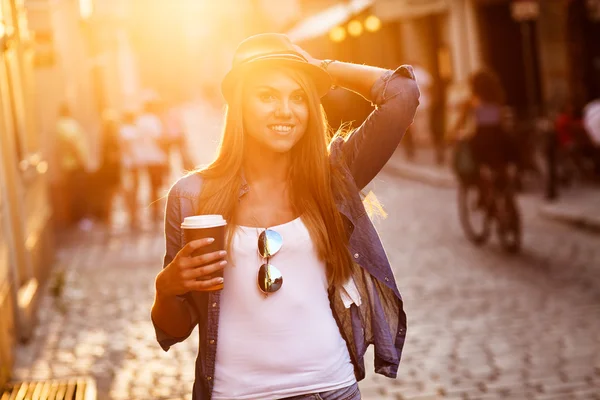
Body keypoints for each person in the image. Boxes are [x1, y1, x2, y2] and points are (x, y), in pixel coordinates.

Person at [150, 33, 419, 400]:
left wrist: (320, 69)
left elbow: (402, 95)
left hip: (331, 389)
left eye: (298, 97)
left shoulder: (329, 179)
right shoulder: (192, 196)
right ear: (239, 105)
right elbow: (176, 328)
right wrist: (167, 289)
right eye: (267, 96)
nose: (285, 111)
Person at [449, 69, 518, 200]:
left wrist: (452, 135)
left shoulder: (472, 102)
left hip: (481, 142)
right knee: (501, 166)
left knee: (475, 166)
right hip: (500, 139)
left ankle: (484, 194)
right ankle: (505, 193)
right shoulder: (498, 100)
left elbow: (460, 123)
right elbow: (502, 121)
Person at [55, 103, 90, 229]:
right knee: (78, 193)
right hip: (74, 165)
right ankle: (80, 219)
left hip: (67, 165)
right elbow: (73, 143)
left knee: (73, 192)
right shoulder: (68, 125)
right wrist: (82, 160)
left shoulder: (59, 126)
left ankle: (76, 219)